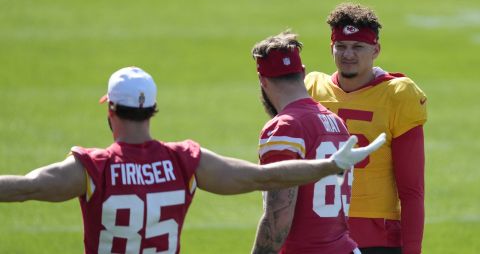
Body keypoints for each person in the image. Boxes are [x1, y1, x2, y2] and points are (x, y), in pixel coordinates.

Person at [0, 66, 386, 254]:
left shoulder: (91, 169)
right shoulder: (185, 162)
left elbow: (24, 188)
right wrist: (328, 165)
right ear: (153, 111)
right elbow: (261, 178)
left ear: (110, 112)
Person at [305, 2, 427, 254]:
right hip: (318, 230)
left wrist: (412, 249)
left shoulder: (397, 94)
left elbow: (412, 189)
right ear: (331, 48)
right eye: (341, 46)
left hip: (376, 234)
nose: (348, 54)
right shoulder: (313, 89)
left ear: (376, 50)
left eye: (358, 47)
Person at [250, 31, 369, 254]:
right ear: (302, 73)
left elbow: (279, 217)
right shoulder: (336, 122)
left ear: (262, 81)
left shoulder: (284, 127)